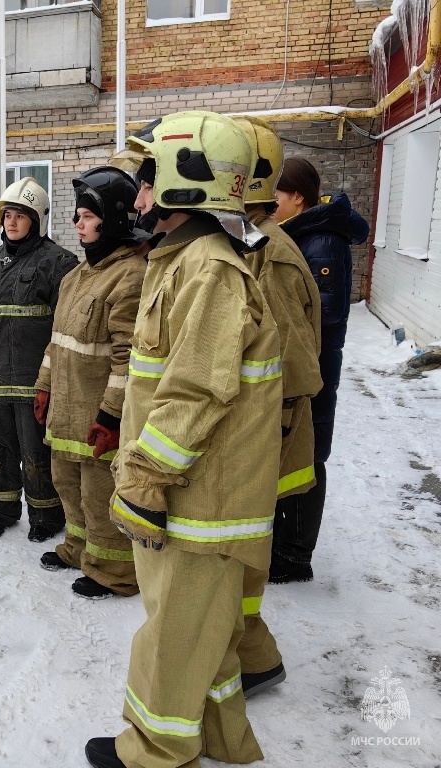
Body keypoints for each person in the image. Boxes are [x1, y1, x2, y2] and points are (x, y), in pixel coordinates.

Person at [85, 111, 282, 768]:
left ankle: (155, 751)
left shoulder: (209, 270)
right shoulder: (184, 261)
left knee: (173, 635)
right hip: (192, 491)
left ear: (183, 185)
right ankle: (222, 739)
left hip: (202, 498)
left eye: (145, 184)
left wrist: (144, 477)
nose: (136, 200)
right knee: (203, 637)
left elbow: (197, 388)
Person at [234, 118, 323, 698]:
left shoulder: (275, 254)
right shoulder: (251, 242)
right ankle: (252, 654)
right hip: (255, 429)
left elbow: (291, 364)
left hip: (266, 430)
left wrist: (266, 432)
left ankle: (253, 657)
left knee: (244, 551)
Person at [35, 166, 147, 600]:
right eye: (77, 215)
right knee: (67, 484)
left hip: (97, 412)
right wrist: (44, 386)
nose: (77, 224)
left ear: (114, 220)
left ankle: (114, 571)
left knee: (100, 490)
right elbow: (57, 343)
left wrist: (111, 414)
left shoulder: (130, 277)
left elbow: (128, 357)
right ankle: (79, 548)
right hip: (67, 407)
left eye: (86, 215)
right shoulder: (76, 277)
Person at [0, 178, 78, 541]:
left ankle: (46, 517)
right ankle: (0, 511)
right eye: (7, 215)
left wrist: (54, 379)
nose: (11, 222)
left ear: (36, 220)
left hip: (35, 385)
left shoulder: (58, 263)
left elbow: (66, 330)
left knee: (38, 452)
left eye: (20, 215)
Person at [270, 157, 369, 583]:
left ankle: (294, 556)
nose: (270, 203)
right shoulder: (303, 235)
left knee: (308, 456)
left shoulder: (322, 242)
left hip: (316, 372)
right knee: (295, 451)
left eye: (275, 194)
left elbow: (319, 324)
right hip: (305, 369)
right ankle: (286, 544)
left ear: (298, 197)